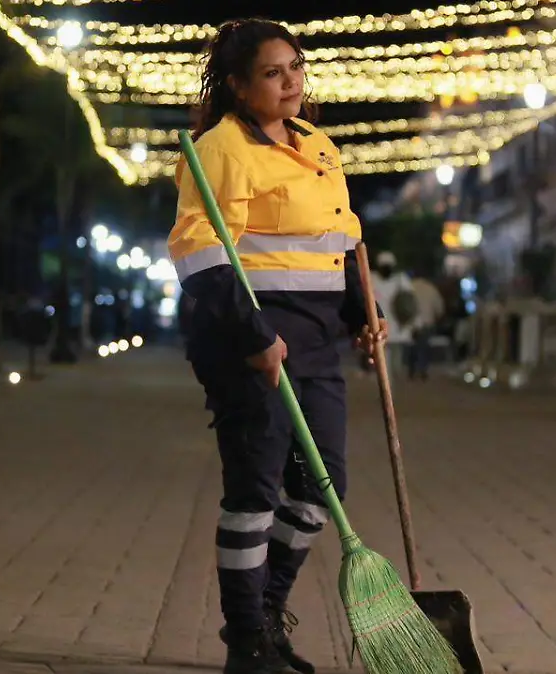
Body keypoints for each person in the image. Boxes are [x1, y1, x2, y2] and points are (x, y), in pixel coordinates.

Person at [167, 19, 387, 674]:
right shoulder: (220, 149)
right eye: (272, 72)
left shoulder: (318, 145)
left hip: (316, 340)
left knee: (322, 488)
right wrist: (254, 336)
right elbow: (199, 251)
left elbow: (342, 241)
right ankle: (247, 642)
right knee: (255, 492)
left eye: (295, 67)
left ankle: (266, 611)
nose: (290, 82)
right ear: (239, 86)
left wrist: (364, 315)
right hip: (248, 340)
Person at [370, 251, 415, 379]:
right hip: (379, 327)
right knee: (382, 363)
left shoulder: (401, 280)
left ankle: (392, 384)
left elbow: (409, 301)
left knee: (396, 364)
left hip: (397, 327)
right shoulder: (372, 279)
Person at [407, 274, 445, 381]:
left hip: (412, 323)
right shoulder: (431, 288)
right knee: (424, 347)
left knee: (412, 347)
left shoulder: (409, 286)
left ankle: (412, 370)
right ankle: (422, 369)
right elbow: (439, 307)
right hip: (427, 322)